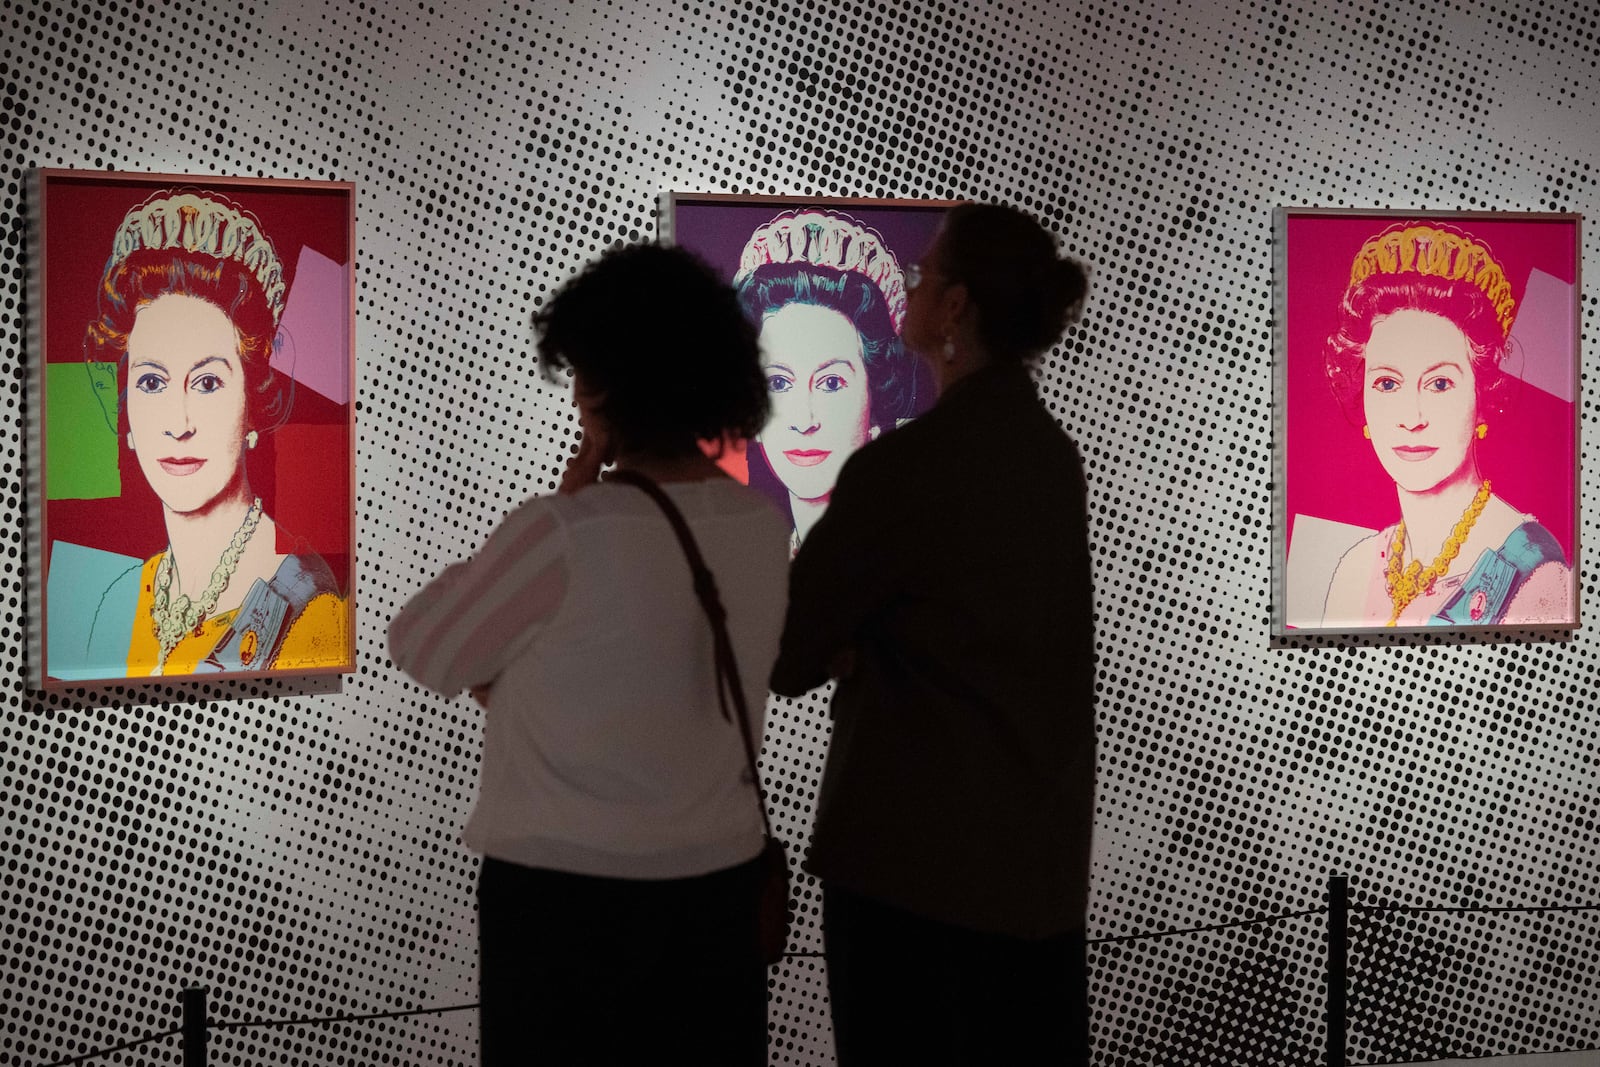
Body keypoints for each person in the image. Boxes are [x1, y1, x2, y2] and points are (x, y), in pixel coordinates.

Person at [388, 243, 788, 1066]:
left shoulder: (563, 533)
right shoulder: (760, 528)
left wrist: (564, 504)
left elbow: (422, 644)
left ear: (606, 386)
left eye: (579, 372)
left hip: (564, 912)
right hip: (718, 893)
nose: (574, 392)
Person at [769, 202, 1095, 1065]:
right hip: (1035, 875)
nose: (912, 289)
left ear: (955, 309)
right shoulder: (1049, 457)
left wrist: (857, 639)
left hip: (912, 878)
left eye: (923, 276)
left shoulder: (904, 468)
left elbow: (790, 651)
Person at [78, 190, 346, 676]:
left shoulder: (311, 609)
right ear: (126, 411)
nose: (179, 425)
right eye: (152, 382)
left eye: (207, 382)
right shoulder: (119, 600)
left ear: (252, 405)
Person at [1319, 222, 1572, 627]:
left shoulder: (1534, 573)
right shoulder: (1353, 571)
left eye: (1439, 383)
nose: (1412, 418)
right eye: (1387, 383)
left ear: (1483, 398)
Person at [734, 210, 920, 553]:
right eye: (779, 383)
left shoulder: (908, 557)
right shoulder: (747, 561)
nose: (805, 421)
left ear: (875, 406)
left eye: (831, 383)